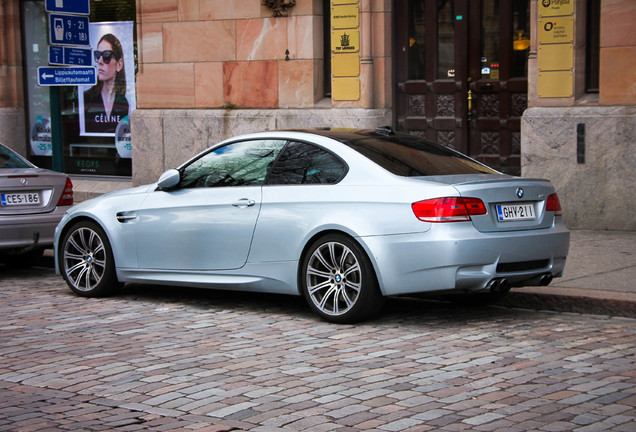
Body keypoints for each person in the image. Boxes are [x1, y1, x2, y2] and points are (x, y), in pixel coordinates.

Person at [83, 33, 129, 134]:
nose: (100, 61)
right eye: (98, 55)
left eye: (106, 56)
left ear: (119, 64)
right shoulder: (86, 98)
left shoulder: (124, 101)